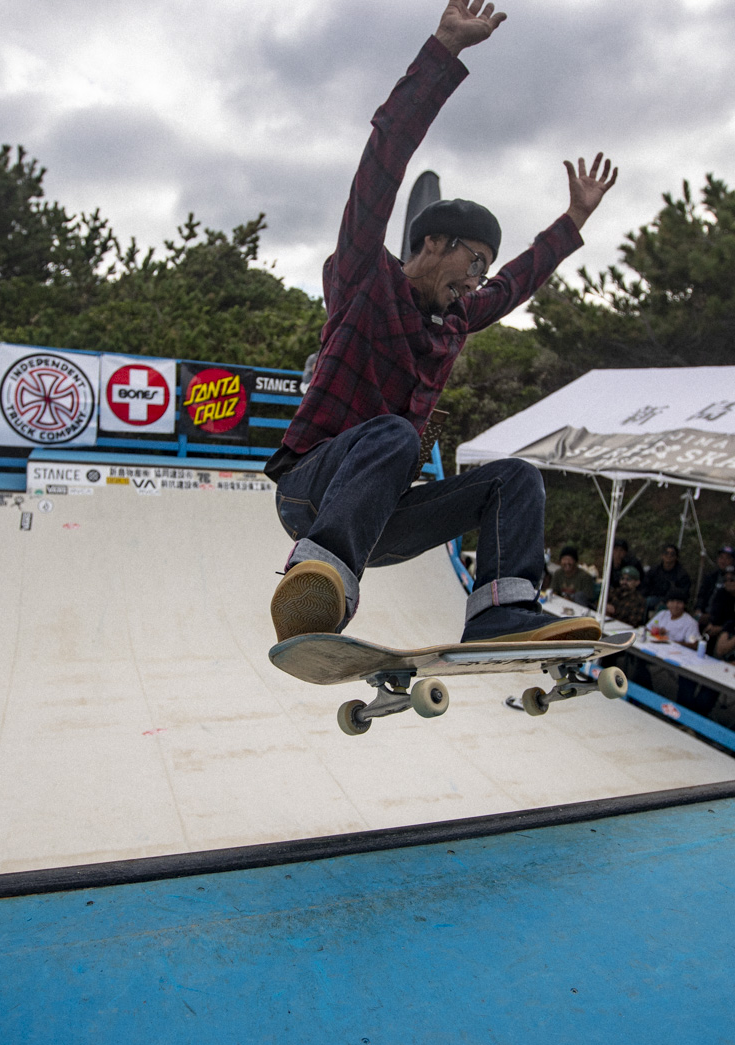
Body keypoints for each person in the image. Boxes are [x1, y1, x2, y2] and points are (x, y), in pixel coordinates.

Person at [264, 0, 620, 645]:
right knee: (395, 435)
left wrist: (572, 223)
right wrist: (442, 53)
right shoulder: (365, 278)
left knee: (516, 479)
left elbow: (515, 284)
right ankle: (318, 578)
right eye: (472, 261)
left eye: (483, 269)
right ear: (431, 243)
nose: (477, 280)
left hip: (385, 517)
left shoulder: (456, 319)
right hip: (311, 492)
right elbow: (381, 166)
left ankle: (501, 612)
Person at [642, 544, 691, 615]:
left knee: (661, 607)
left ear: (676, 557)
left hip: (672, 601)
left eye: (672, 554)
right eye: (666, 553)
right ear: (662, 555)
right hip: (653, 597)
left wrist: (665, 600)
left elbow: (683, 593)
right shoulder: (654, 570)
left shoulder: (681, 574)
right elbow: (645, 585)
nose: (669, 556)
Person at [694, 546, 735, 615]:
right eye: (721, 557)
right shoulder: (711, 577)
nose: (723, 561)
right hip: (706, 613)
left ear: (733, 560)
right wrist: (698, 609)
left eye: (727, 558)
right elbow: (701, 596)